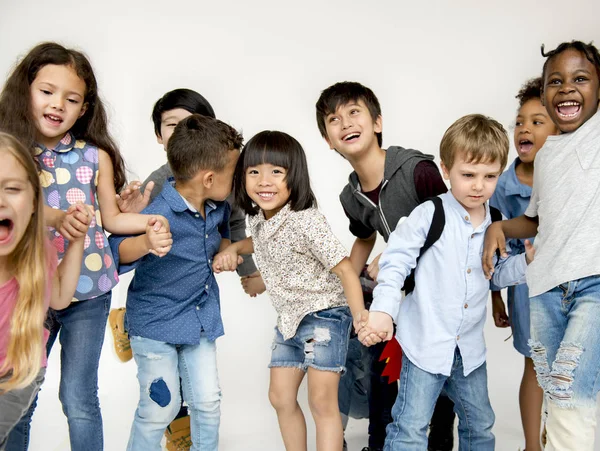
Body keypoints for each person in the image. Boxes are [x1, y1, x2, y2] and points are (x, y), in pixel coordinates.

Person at [0, 42, 168, 451]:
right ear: (26, 91)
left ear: (84, 108)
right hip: (34, 291)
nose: (58, 104)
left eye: (71, 99)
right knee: (22, 394)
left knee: (78, 397)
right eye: (47, 92)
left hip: (89, 291)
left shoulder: (94, 157)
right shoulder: (10, 156)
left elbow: (111, 219)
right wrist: (56, 219)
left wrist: (150, 221)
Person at [361, 114, 532, 450]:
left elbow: (495, 275)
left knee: (479, 426)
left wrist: (527, 263)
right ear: (445, 170)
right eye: (467, 175)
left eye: (489, 176)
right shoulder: (430, 214)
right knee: (410, 427)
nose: (478, 185)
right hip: (424, 345)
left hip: (468, 350)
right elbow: (395, 261)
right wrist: (383, 310)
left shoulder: (496, 221)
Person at [109, 88, 265, 450]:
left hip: (199, 320)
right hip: (155, 322)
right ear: (209, 179)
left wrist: (232, 253)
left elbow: (225, 241)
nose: (239, 179)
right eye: (234, 172)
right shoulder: (157, 207)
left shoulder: (219, 207)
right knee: (159, 409)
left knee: (207, 402)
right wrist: (147, 241)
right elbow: (118, 251)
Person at [315, 81, 453, 451]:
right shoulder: (351, 194)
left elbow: (451, 223)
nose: (345, 123)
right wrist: (345, 280)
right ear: (328, 140)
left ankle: (439, 440)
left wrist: (394, 256)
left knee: (438, 372)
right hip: (399, 289)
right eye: (334, 119)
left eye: (354, 112)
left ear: (377, 121)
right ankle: (379, 442)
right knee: (380, 365)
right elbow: (364, 237)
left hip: (439, 290)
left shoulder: (416, 169)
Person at [213, 130, 368, 451]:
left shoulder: (305, 220)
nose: (264, 181)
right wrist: (237, 250)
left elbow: (344, 270)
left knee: (321, 402)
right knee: (280, 397)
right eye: (254, 172)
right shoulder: (259, 217)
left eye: (276, 172)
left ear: (293, 176)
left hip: (325, 316)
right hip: (289, 321)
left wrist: (360, 318)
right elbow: (263, 242)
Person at [483, 40, 600, 451]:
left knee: (571, 398)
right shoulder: (549, 156)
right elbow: (535, 219)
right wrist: (499, 230)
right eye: (556, 81)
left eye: (580, 79)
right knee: (554, 386)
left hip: (593, 286)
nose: (566, 88)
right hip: (547, 290)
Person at [0, 132, 91, 450]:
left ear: (35, 202)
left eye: (12, 189)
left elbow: (61, 297)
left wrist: (77, 239)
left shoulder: (37, 254)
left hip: (18, 375)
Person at [489, 77, 558, 451]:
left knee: (567, 366)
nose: (524, 129)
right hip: (526, 290)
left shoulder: (571, 176)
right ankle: (533, 444)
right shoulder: (500, 185)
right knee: (535, 365)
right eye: (519, 122)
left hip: (570, 284)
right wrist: (495, 298)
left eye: (537, 121)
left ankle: (559, 433)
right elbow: (492, 247)